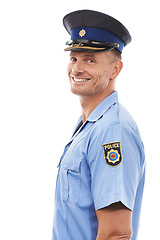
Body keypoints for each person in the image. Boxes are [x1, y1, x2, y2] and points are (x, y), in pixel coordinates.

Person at [52, 9, 145, 240]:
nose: (76, 69)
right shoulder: (90, 125)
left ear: (115, 69)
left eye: (90, 60)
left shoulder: (112, 131)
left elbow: (117, 233)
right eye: (74, 58)